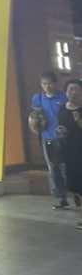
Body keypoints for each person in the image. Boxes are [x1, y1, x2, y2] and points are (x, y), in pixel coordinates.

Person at [31, 70, 68, 209]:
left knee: (66, 168)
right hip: (46, 138)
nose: (47, 86)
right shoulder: (38, 98)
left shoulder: (63, 97)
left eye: (49, 83)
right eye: (44, 83)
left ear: (55, 83)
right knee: (53, 169)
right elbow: (33, 115)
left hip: (63, 139)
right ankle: (60, 198)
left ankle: (75, 192)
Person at [56, 79, 82, 227]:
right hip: (69, 150)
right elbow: (62, 125)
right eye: (70, 89)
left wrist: (78, 120)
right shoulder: (63, 108)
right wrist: (62, 130)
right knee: (73, 181)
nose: (73, 92)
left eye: (76, 89)